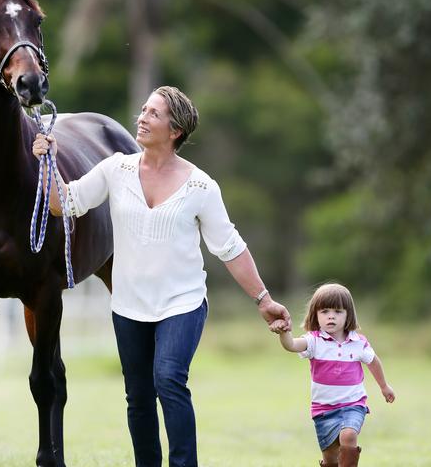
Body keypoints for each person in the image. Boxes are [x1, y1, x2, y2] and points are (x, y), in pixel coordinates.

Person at [33, 86, 291, 467]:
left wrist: (263, 299)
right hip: (128, 306)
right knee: (138, 396)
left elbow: (230, 248)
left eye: (153, 113)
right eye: (143, 110)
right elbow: (63, 204)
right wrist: (48, 162)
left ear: (175, 131)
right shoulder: (115, 169)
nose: (141, 118)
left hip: (182, 304)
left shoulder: (201, 187)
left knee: (168, 379)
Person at [270, 283, 395, 467]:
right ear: (316, 315)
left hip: (353, 404)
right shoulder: (313, 341)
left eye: (338, 311)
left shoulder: (358, 342)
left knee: (349, 434)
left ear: (348, 315)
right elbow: (291, 345)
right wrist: (283, 333)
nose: (331, 316)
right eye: (325, 311)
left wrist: (384, 386)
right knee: (331, 460)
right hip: (324, 410)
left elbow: (374, 361)